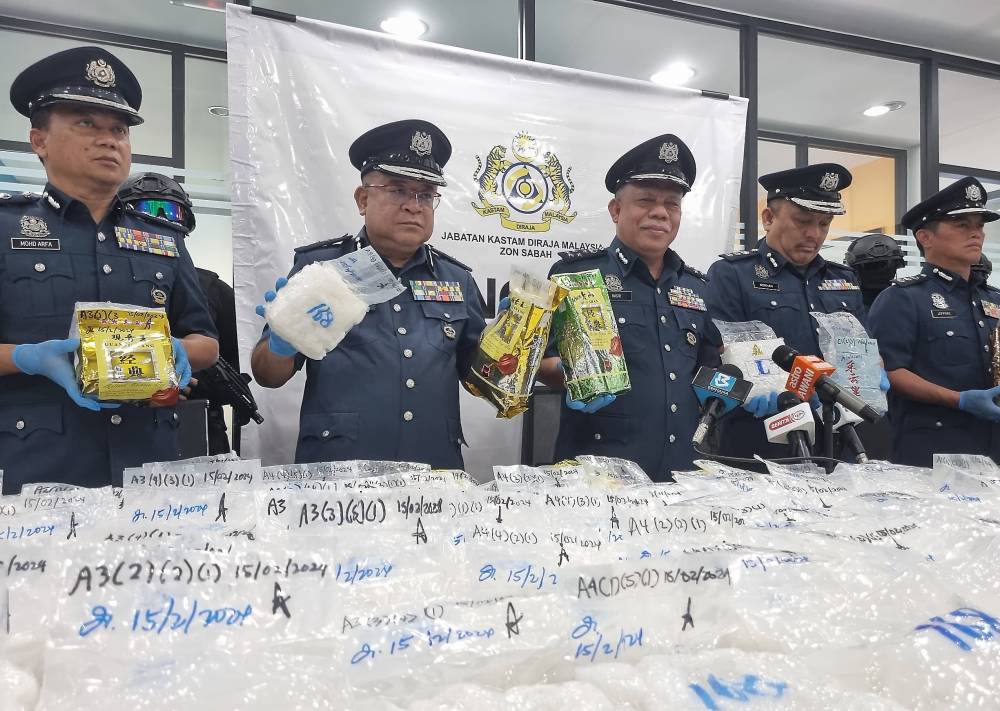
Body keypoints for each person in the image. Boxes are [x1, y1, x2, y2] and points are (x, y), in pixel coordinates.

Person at [0, 47, 218, 493]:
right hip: (38, 471)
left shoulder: (163, 239)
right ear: (39, 140)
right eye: (86, 123)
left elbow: (207, 341)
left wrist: (175, 349)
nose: (109, 140)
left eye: (118, 129)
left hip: (149, 465)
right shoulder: (5, 229)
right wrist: (29, 357)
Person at [251, 119, 485, 468]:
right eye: (398, 190)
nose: (414, 205)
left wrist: (513, 343)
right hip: (341, 478)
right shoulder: (322, 269)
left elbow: (478, 377)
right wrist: (282, 342)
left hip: (434, 473)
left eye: (425, 194)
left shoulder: (457, 279)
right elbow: (268, 375)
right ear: (363, 198)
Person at [536, 134, 722, 480]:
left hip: (684, 469)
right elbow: (542, 361)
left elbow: (707, 368)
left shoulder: (696, 287)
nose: (660, 213)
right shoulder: (576, 275)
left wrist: (738, 388)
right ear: (616, 210)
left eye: (672, 204)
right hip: (601, 470)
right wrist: (578, 377)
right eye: (646, 200)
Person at [704, 164, 872, 460]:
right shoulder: (732, 275)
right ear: (768, 218)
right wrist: (750, 390)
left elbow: (864, 349)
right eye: (803, 221)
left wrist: (870, 373)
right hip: (761, 438)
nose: (814, 234)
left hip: (838, 434)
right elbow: (719, 355)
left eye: (824, 224)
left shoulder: (844, 280)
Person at [868, 177, 1000, 467]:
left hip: (994, 448)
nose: (975, 234)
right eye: (962, 225)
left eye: (979, 226)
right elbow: (890, 371)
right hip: (934, 453)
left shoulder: (994, 299)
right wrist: (959, 399)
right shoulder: (902, 299)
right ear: (925, 237)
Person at [119, 172, 241, 454]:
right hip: (120, 424)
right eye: (147, 210)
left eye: (171, 211)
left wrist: (191, 384)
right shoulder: (104, 279)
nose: (160, 219)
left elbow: (235, 369)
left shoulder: (215, 290)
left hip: (198, 424)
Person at [845, 233, 906, 308]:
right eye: (871, 266)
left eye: (883, 265)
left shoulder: (846, 304)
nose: (879, 270)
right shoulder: (906, 301)